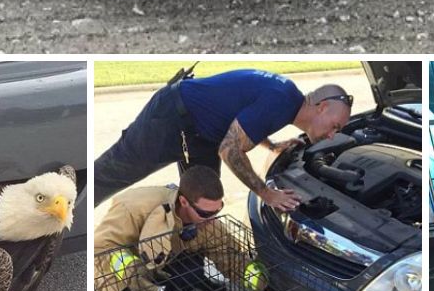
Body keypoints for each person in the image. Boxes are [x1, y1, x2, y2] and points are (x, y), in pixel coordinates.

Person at [93, 68, 353, 210]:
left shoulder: (288, 100)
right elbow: (230, 149)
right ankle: (67, 222)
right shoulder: (281, 102)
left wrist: (271, 145)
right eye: (334, 126)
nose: (331, 135)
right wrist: (266, 193)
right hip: (169, 118)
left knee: (203, 200)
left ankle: (188, 276)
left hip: (201, 135)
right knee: (111, 174)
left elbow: (242, 122)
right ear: (321, 107)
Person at [93, 165, 255, 291]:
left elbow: (226, 254)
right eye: (205, 213)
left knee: (192, 267)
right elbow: (99, 247)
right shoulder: (132, 207)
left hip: (162, 261)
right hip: (130, 269)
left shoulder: (206, 220)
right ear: (184, 202)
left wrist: (254, 275)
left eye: (218, 210)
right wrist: (130, 267)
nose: (212, 219)